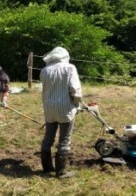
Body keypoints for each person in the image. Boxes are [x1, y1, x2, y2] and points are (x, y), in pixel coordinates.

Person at [40, 47, 82, 178]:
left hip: (49, 107)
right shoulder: (69, 68)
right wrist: (77, 103)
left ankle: (47, 168)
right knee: (64, 139)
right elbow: (75, 89)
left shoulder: (45, 70)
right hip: (65, 108)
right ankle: (61, 172)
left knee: (48, 137)